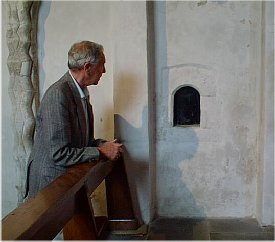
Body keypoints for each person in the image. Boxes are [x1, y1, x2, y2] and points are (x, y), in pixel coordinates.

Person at [25, 40, 123, 198]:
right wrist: (101, 152)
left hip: (66, 181)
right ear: (87, 67)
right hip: (49, 185)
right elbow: (60, 153)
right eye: (102, 65)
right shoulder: (59, 94)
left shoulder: (80, 91)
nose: (104, 71)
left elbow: (81, 142)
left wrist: (102, 144)